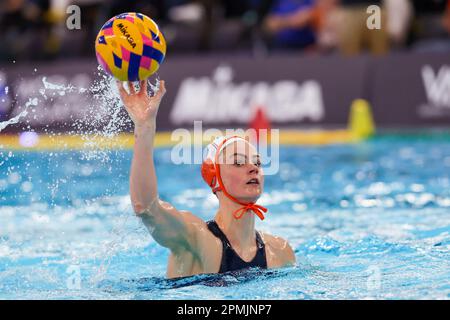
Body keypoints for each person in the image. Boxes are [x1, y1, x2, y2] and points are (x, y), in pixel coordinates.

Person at [116, 79, 296, 278]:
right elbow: (146, 208)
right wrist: (144, 127)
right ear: (214, 178)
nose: (253, 168)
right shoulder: (195, 239)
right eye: (238, 162)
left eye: (258, 162)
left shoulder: (280, 251)